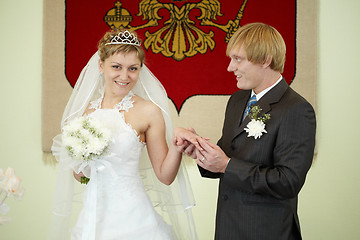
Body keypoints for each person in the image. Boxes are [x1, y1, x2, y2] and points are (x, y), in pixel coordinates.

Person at [48, 29, 200, 240]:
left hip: (134, 217)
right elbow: (80, 176)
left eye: (133, 69)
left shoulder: (149, 111)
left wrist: (176, 146)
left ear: (140, 70)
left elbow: (165, 176)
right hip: (94, 216)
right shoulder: (86, 112)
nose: (124, 76)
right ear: (101, 66)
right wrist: (82, 158)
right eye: (116, 67)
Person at [182, 22, 316, 240]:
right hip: (228, 228)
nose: (230, 67)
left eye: (238, 59)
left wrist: (226, 165)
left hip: (266, 232)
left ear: (265, 60)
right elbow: (228, 155)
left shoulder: (297, 109)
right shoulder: (237, 100)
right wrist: (200, 152)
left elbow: (288, 181)